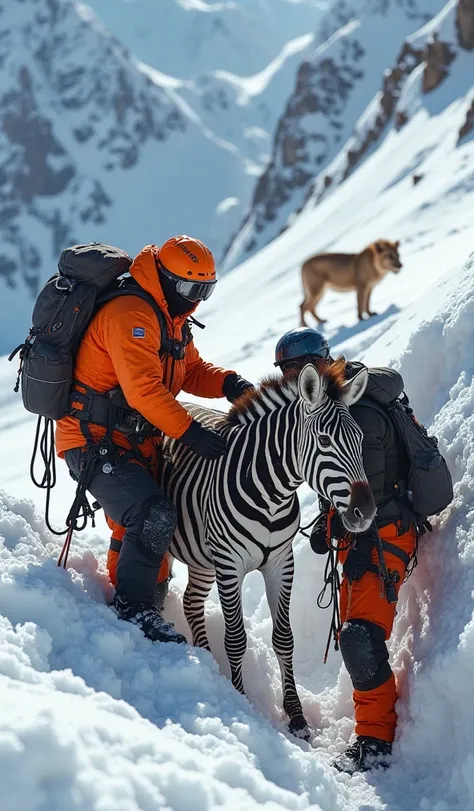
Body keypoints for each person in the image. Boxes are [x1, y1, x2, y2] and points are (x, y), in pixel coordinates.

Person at [56, 236, 253, 644]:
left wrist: (229, 383)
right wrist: (192, 434)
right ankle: (134, 610)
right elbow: (143, 389)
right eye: (189, 289)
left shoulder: (170, 319)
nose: (196, 300)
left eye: (205, 290)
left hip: (130, 440)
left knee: (137, 524)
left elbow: (191, 371)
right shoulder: (131, 314)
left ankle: (141, 607)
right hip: (90, 438)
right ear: (163, 278)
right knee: (152, 514)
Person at [274, 327, 416, 774]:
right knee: (355, 633)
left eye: (295, 369)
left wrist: (355, 531)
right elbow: (342, 481)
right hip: (363, 534)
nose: (290, 378)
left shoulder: (358, 414)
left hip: (385, 534)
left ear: (317, 365)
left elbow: (364, 489)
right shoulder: (333, 407)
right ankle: (370, 727)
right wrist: (328, 521)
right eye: (285, 371)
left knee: (359, 637)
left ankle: (375, 742)